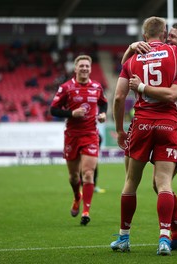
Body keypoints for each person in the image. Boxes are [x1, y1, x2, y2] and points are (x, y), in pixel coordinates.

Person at [110, 16, 177, 255]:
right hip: (169, 125)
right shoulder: (175, 53)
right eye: (168, 35)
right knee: (161, 184)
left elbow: (170, 94)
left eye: (175, 36)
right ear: (162, 34)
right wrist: (131, 48)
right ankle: (172, 236)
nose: (170, 38)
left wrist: (138, 86)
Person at [50, 55, 108, 225]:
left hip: (90, 134)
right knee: (74, 177)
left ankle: (86, 211)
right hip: (72, 136)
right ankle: (77, 196)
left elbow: (103, 103)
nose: (84, 68)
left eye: (87, 66)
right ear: (75, 69)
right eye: (81, 66)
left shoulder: (97, 86)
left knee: (88, 173)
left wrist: (103, 113)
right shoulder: (66, 88)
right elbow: (53, 110)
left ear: (90, 69)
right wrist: (71, 114)